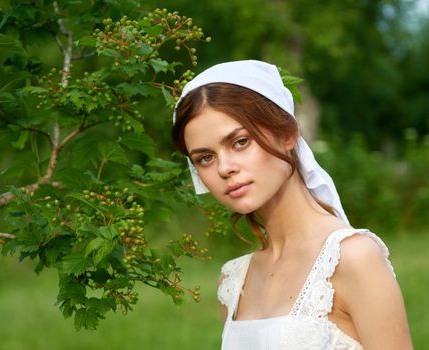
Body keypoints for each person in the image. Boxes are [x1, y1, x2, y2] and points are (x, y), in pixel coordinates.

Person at [171, 60, 413, 350]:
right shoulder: (234, 281)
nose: (224, 168)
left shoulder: (353, 258)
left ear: (287, 133)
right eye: (205, 158)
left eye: (240, 142)